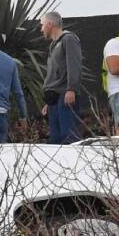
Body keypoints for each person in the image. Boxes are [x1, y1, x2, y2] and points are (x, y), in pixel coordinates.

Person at [40, 11, 83, 145]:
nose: (41, 29)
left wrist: (71, 89)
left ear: (49, 24)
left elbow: (74, 65)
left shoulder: (68, 39)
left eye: (42, 25)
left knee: (69, 136)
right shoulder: (53, 45)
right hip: (55, 98)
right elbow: (54, 73)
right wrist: (48, 101)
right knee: (56, 139)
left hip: (65, 95)